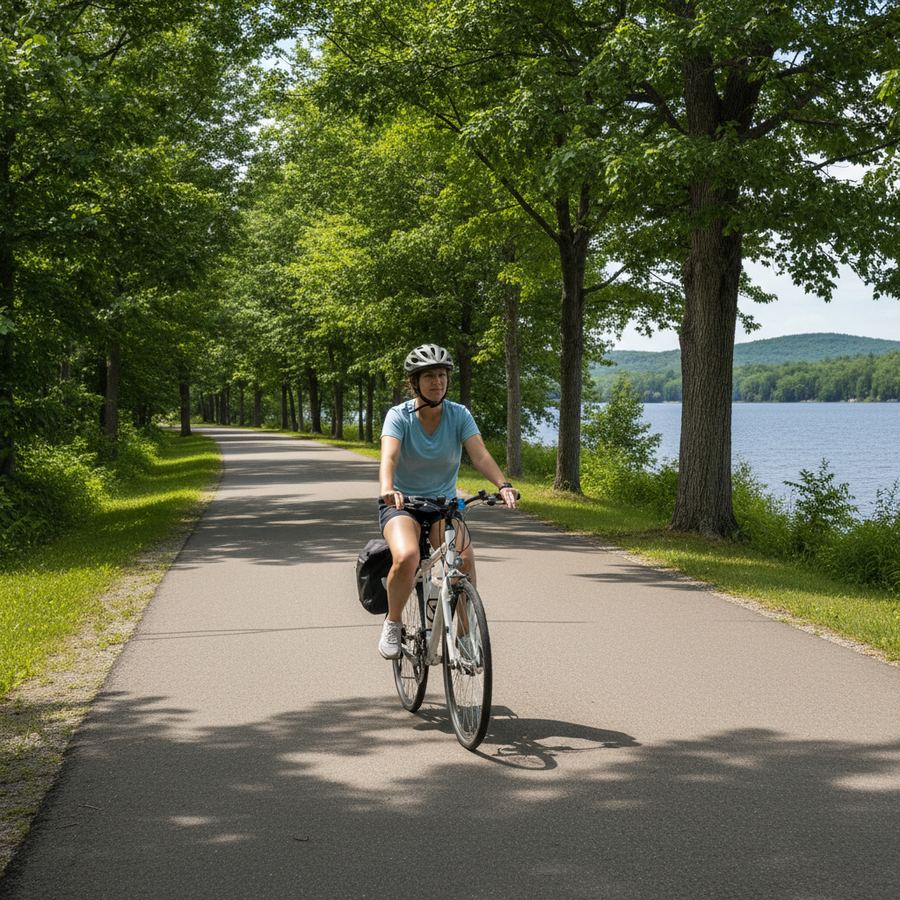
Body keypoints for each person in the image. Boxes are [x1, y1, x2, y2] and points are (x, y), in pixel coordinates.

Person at [377, 343, 517, 659]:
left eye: (442, 375)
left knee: (463, 562)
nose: (437, 382)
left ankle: (466, 637)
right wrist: (388, 487)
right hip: (402, 503)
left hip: (443, 505)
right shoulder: (398, 416)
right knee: (408, 556)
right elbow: (389, 456)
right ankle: (393, 622)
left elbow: (479, 453)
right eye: (429, 376)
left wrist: (503, 484)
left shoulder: (459, 414)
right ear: (414, 382)